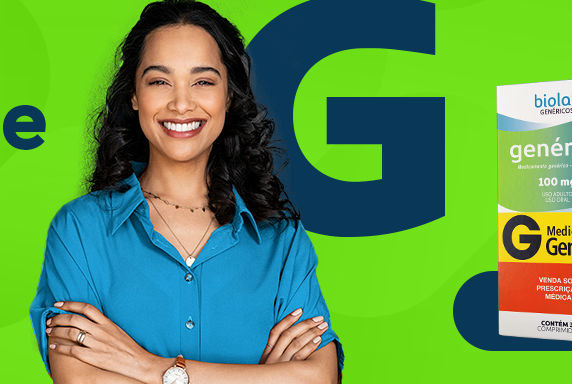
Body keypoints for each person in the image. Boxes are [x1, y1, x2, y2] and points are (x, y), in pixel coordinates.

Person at [28, 1, 342, 383]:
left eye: (203, 81)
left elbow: (319, 377)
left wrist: (148, 367)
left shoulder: (283, 243)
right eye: (160, 81)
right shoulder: (80, 231)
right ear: (134, 96)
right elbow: (81, 379)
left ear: (228, 96)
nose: (181, 104)